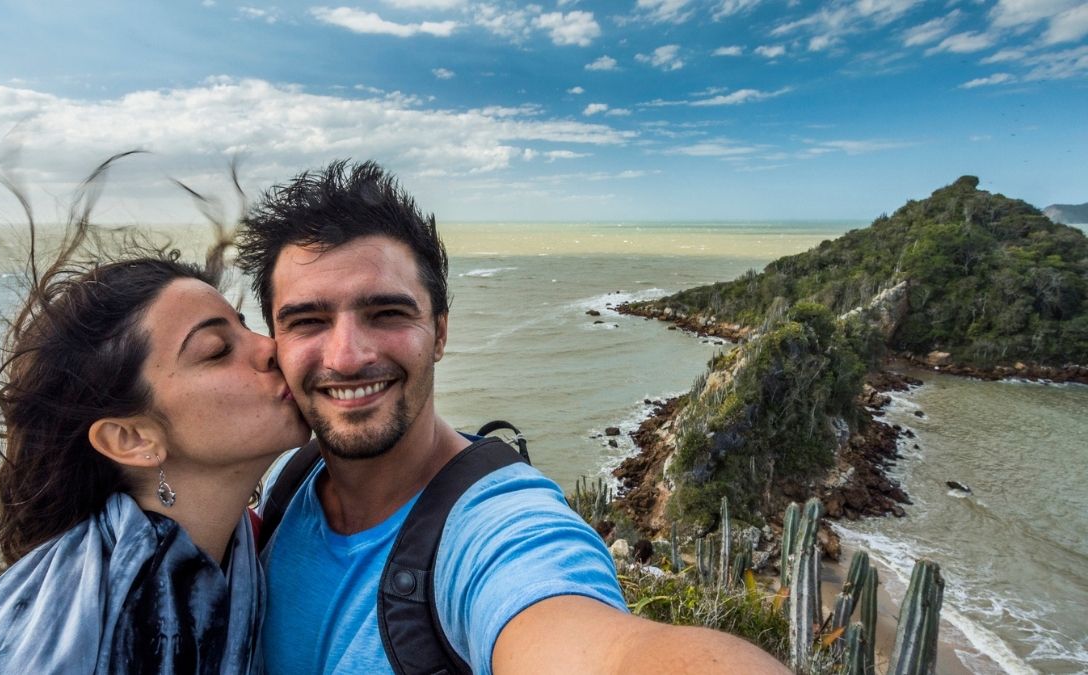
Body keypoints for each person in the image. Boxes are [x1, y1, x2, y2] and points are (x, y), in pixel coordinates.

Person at [237, 160, 789, 674]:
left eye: (386, 313)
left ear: (441, 333)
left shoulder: (501, 531)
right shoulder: (287, 484)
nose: (347, 357)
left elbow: (596, 646)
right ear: (275, 344)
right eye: (308, 321)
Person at [0, 161, 308, 674]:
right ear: (132, 438)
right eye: (214, 350)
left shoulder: (253, 545)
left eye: (246, 325)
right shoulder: (60, 643)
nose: (271, 347)